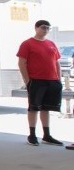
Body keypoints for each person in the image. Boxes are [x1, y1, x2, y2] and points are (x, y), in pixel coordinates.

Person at [16, 19, 65, 147]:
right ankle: (32, 134)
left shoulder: (51, 44)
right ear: (36, 28)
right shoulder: (27, 44)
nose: (46, 30)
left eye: (48, 28)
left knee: (46, 107)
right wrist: (27, 80)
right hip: (36, 80)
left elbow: (56, 62)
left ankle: (46, 135)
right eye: (43, 27)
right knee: (34, 107)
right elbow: (22, 63)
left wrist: (58, 79)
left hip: (52, 80)